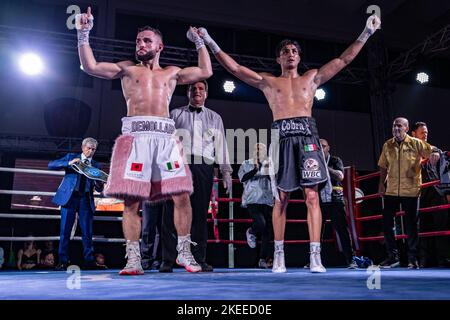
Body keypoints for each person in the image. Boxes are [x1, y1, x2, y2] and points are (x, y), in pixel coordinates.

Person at [197, 14, 381, 273]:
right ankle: (279, 254)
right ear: (279, 58)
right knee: (280, 197)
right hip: (282, 138)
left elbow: (343, 60)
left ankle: (315, 256)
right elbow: (235, 69)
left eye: (294, 50)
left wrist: (366, 32)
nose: (291, 53)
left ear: (299, 57)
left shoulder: (312, 78)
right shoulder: (269, 81)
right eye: (285, 51)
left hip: (308, 139)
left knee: (312, 196)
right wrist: (209, 40)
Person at [75, 7, 212, 275]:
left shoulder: (172, 73)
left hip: (164, 137)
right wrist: (83, 34)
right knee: (131, 202)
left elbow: (205, 70)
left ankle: (185, 252)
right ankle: (134, 258)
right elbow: (90, 67)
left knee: (182, 196)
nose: (140, 44)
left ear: (159, 46)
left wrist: (199, 42)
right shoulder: (126, 70)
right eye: (138, 40)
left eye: (146, 40)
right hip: (135, 136)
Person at [158, 80, 232, 273]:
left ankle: (199, 258)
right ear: (188, 92)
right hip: (177, 164)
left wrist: (226, 171)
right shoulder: (175, 114)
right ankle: (168, 259)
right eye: (193, 89)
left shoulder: (215, 117)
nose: (197, 91)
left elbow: (221, 145)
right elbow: (165, 143)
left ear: (206, 93)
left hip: (203, 165)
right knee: (171, 211)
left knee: (199, 212)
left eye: (201, 89)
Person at [378, 117, 435, 269]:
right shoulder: (387, 144)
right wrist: (381, 184)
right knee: (387, 223)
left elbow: (432, 150)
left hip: (411, 189)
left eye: (399, 126)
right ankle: (392, 257)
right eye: (394, 125)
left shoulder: (416, 143)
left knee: (411, 225)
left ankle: (412, 259)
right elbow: (383, 166)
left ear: (406, 128)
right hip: (391, 189)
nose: (396, 128)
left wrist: (435, 154)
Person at [48, 137, 104, 270]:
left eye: (93, 149)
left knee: (87, 232)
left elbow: (100, 188)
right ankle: (63, 261)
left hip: (85, 199)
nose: (90, 151)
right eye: (88, 148)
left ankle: (89, 261)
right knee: (65, 231)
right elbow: (51, 165)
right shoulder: (72, 157)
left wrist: (99, 182)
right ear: (83, 148)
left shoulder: (96, 165)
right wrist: (69, 163)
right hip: (70, 198)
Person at [411, 122, 450, 267]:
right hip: (419, 193)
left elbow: (440, 154)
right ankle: (424, 260)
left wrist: (436, 152)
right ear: (413, 134)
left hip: (435, 191)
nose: (425, 134)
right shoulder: (409, 150)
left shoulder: (432, 148)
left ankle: (443, 259)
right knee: (423, 227)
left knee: (441, 224)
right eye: (422, 132)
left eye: (426, 132)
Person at [318, 139, 358, 268]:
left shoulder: (335, 160)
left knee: (342, 230)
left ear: (328, 148)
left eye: (323, 146)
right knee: (316, 231)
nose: (321, 149)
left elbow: (340, 176)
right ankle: (315, 260)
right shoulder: (312, 162)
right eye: (318, 147)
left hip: (335, 199)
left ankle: (350, 260)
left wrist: (324, 165)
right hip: (319, 200)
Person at [238, 143, 274, 268]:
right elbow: (242, 178)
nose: (259, 151)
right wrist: (255, 169)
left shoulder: (270, 163)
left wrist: (268, 172)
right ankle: (251, 231)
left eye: (261, 149)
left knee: (267, 232)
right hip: (252, 199)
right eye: (256, 149)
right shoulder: (246, 163)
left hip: (268, 199)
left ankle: (262, 259)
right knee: (261, 224)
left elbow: (275, 179)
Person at [140, 201, 163, 270]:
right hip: (149, 194)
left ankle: (158, 260)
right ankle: (146, 260)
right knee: (148, 227)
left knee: (163, 229)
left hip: (166, 195)